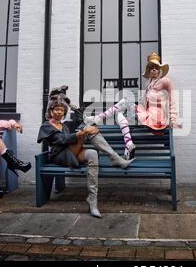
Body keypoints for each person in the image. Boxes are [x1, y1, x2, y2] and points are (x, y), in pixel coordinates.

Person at [37, 90, 133, 218]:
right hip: (60, 156)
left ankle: (92, 200)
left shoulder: (65, 126)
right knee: (88, 130)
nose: (59, 112)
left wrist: (69, 103)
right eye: (56, 109)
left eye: (61, 110)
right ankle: (115, 158)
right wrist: (82, 132)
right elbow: (62, 140)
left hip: (72, 152)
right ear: (50, 111)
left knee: (92, 153)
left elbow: (80, 116)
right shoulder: (46, 126)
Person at [85, 52, 182, 159]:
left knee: (124, 102)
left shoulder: (165, 81)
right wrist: (135, 108)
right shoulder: (149, 85)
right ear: (149, 71)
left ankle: (98, 118)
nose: (154, 69)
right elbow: (143, 104)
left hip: (156, 118)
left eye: (156, 67)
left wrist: (173, 118)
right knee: (119, 112)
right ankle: (129, 144)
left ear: (160, 70)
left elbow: (173, 99)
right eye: (151, 68)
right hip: (147, 115)